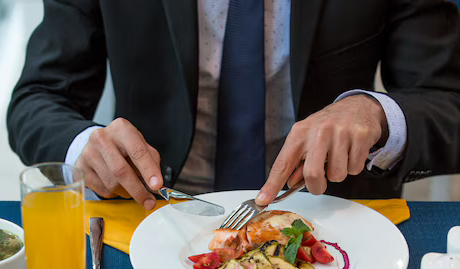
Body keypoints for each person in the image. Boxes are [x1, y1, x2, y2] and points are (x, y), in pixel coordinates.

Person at [7, 0, 460, 210]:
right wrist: (84, 145)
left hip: (335, 218)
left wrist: (377, 114)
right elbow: (38, 97)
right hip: (155, 213)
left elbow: (447, 102)